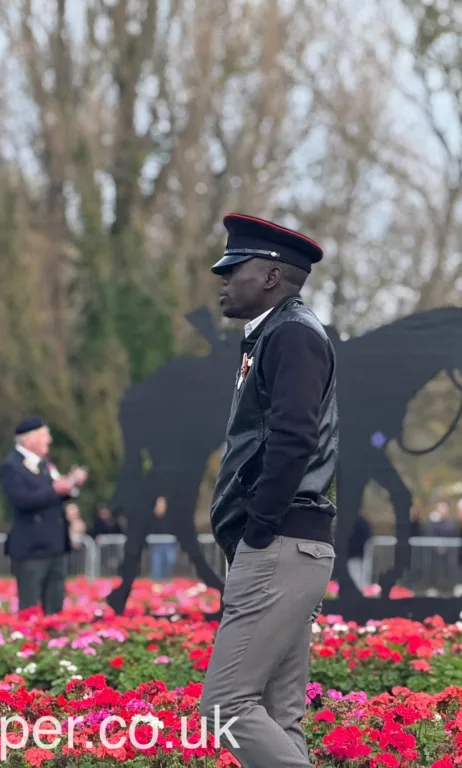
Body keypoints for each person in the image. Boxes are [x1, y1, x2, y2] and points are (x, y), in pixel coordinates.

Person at [199, 213, 337, 768]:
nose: (223, 279)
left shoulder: (293, 334)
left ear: (273, 275)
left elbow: (293, 437)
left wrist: (258, 526)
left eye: (235, 267)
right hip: (285, 544)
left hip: (279, 541)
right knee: (281, 718)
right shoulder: (276, 332)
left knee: (224, 708)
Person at [0, 416, 87, 614]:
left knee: (55, 605)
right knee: (31, 605)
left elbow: (54, 495)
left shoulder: (45, 465)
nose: (49, 441)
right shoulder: (12, 466)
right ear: (30, 440)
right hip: (32, 548)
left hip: (55, 545)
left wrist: (71, 484)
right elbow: (21, 500)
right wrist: (55, 490)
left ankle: (53, 641)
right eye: (45, 436)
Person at [148, 496, 177, 580]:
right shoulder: (151, 517)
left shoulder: (171, 516)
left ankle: (166, 580)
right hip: (156, 544)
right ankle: (157, 583)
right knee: (157, 564)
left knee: (170, 561)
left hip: (169, 543)